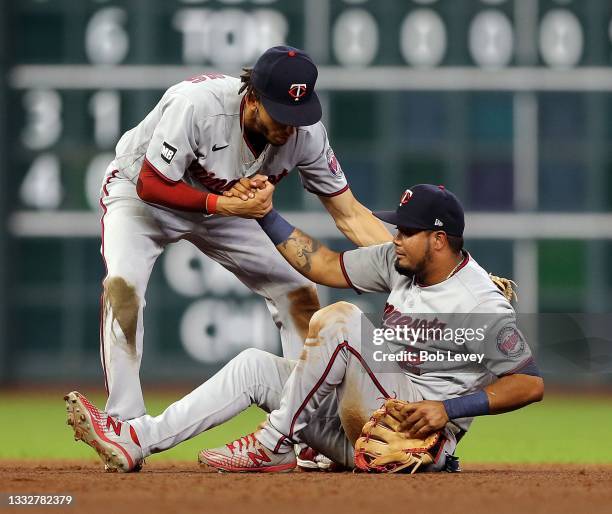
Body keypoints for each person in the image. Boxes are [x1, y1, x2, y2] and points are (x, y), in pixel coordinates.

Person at [65, 183, 544, 473]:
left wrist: (449, 409)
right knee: (254, 367)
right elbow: (324, 265)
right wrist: (266, 216)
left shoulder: (479, 302)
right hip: (361, 421)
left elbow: (530, 383)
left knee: (342, 321)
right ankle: (136, 440)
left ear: (439, 240)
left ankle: (275, 441)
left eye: (406, 232)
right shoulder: (402, 264)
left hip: (411, 438)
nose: (394, 238)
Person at [98, 44, 391, 429]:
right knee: (123, 288)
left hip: (228, 207)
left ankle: (307, 428)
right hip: (142, 195)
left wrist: (408, 264)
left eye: (298, 115)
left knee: (297, 288)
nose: (290, 126)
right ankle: (124, 423)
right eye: (282, 114)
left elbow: (350, 214)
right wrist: (222, 205)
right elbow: (153, 184)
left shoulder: (306, 135)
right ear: (251, 98)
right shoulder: (197, 105)